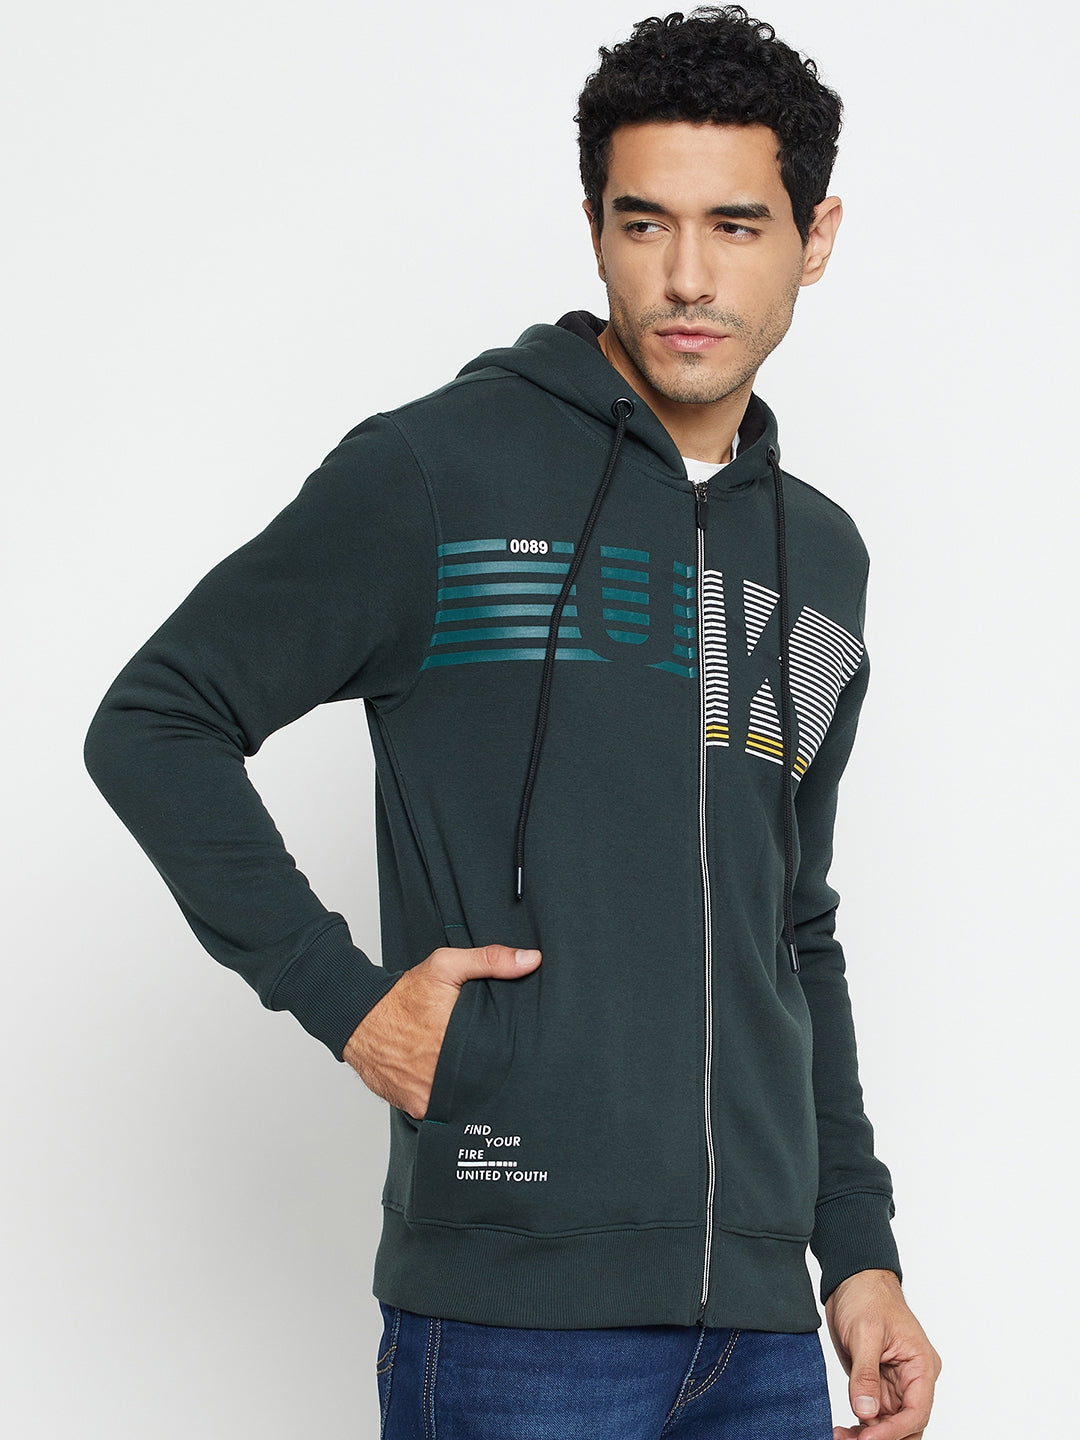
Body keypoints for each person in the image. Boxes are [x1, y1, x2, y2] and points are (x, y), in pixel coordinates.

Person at [84, 6, 942, 1437]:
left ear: (816, 235)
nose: (686, 275)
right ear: (594, 227)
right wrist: (344, 998)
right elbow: (157, 719)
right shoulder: (441, 474)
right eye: (643, 222)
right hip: (513, 1331)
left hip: (765, 1340)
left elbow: (792, 921)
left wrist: (856, 1250)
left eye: (736, 225)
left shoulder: (819, 560)